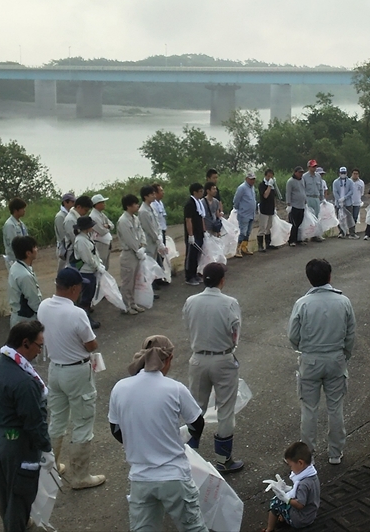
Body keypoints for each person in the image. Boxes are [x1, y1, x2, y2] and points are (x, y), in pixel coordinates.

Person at [108, 335, 207, 532]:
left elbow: (116, 430)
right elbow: (197, 423)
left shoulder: (120, 388)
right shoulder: (175, 389)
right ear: (168, 359)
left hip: (140, 479)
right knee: (193, 528)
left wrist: (140, 442)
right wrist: (182, 437)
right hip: (174, 476)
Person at [37, 268, 105, 490]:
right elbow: (91, 344)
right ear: (75, 289)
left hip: (55, 368)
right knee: (83, 421)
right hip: (76, 371)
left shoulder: (44, 306)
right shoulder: (76, 313)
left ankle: (51, 465)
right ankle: (80, 475)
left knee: (57, 419)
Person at [0, 320, 52, 532]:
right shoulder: (24, 382)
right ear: (25, 343)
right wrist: (46, 448)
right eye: (39, 346)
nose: (40, 352)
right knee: (19, 497)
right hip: (17, 444)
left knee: (4, 493)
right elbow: (33, 421)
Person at [288, 259, 356, 465]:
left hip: (310, 360)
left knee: (309, 409)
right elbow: (351, 334)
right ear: (330, 276)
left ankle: (307, 456)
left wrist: (304, 348)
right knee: (335, 407)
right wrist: (345, 354)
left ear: (309, 279)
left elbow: (293, 335)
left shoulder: (303, 303)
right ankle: (335, 453)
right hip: (336, 358)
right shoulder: (343, 301)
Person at [183, 263, 244, 473]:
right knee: (225, 410)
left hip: (198, 358)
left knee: (195, 408)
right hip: (223, 359)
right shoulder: (229, 303)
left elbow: (188, 325)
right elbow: (235, 333)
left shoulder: (191, 301)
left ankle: (190, 456)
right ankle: (223, 459)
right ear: (222, 280)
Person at [262, 441, 320, 532]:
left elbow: (300, 505)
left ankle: (269, 529)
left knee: (275, 502)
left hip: (300, 520)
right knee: (283, 498)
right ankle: (283, 517)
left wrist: (285, 498)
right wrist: (287, 488)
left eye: (291, 465)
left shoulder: (303, 484)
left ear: (300, 463)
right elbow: (303, 493)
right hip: (310, 514)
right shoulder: (312, 475)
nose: (290, 469)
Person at [72, 215, 103, 329]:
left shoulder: (86, 237)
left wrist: (99, 263)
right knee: (86, 297)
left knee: (89, 294)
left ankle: (85, 316)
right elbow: (87, 258)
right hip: (86, 270)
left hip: (90, 270)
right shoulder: (81, 240)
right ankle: (85, 320)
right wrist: (96, 266)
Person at [119, 194, 148, 314]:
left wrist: (143, 245)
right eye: (135, 204)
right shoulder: (123, 221)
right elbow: (129, 239)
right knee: (127, 281)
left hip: (137, 252)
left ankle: (133, 303)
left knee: (135, 280)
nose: (137, 206)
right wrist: (137, 250)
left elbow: (141, 232)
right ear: (128, 206)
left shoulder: (135, 218)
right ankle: (126, 306)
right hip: (129, 254)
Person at [8, 235, 42, 329]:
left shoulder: (16, 266)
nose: (37, 249)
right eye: (34, 247)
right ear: (28, 253)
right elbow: (34, 302)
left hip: (18, 317)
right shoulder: (25, 276)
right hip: (26, 320)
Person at [184, 183, 206, 286]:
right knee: (191, 255)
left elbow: (201, 217)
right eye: (200, 191)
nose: (202, 193)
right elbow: (188, 220)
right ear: (195, 192)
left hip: (199, 232)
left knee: (197, 255)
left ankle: (195, 274)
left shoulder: (198, 202)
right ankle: (189, 276)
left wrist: (204, 230)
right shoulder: (190, 204)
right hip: (193, 234)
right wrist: (190, 235)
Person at [139, 185, 166, 261]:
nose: (154, 196)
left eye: (154, 194)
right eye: (152, 194)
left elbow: (158, 223)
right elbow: (149, 229)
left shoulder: (152, 207)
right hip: (150, 241)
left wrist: (160, 235)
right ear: (145, 196)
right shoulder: (143, 211)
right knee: (151, 262)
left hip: (157, 239)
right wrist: (158, 240)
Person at [233, 172, 257, 257]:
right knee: (242, 232)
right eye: (251, 179)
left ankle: (244, 247)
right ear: (246, 179)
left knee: (248, 232)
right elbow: (236, 200)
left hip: (251, 213)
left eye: (253, 179)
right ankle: (237, 249)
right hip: (244, 213)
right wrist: (239, 209)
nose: (252, 181)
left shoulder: (252, 188)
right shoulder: (242, 188)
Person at [62, 195, 93, 261]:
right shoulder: (70, 220)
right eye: (85, 210)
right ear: (79, 207)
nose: (86, 213)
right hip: (74, 252)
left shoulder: (78, 217)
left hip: (82, 249)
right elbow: (74, 239)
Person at [257, 169, 280, 251]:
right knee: (262, 228)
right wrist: (269, 186)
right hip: (264, 209)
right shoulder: (262, 185)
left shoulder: (273, 185)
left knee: (269, 227)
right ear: (265, 176)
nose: (270, 178)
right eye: (268, 176)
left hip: (271, 208)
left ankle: (268, 243)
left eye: (271, 176)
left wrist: (275, 207)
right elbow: (265, 195)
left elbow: (274, 197)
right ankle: (260, 245)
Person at [90, 194, 115, 269]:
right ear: (96, 204)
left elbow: (112, 225)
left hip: (106, 242)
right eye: (102, 202)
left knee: (106, 265)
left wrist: (108, 226)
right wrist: (107, 227)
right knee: (101, 264)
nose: (104, 204)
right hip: (100, 243)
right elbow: (102, 231)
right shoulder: (93, 216)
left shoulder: (101, 214)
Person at [2, 198, 28, 269]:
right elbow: (14, 244)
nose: (24, 210)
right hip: (14, 260)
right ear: (15, 210)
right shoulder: (10, 225)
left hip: (22, 258)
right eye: (22, 208)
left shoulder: (21, 223)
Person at [302, 160, 324, 241]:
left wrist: (322, 198)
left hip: (316, 198)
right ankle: (306, 235)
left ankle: (316, 235)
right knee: (308, 217)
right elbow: (303, 189)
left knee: (316, 216)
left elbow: (321, 188)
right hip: (308, 197)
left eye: (315, 166)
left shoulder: (318, 176)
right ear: (309, 167)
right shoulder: (304, 177)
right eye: (313, 166)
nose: (314, 168)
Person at [331, 167, 355, 239]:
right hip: (338, 203)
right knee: (340, 218)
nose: (343, 174)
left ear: (346, 173)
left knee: (350, 218)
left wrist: (344, 198)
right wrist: (339, 200)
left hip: (348, 202)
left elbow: (351, 191)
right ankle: (341, 232)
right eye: (342, 173)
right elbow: (335, 192)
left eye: (344, 173)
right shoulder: (335, 182)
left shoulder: (350, 181)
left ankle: (352, 233)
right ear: (339, 173)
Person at [54, 193, 76, 272]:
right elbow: (62, 234)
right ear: (65, 202)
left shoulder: (69, 214)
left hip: (68, 246)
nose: (74, 204)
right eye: (72, 202)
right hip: (64, 248)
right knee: (62, 270)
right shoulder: (60, 216)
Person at [286, 166, 307, 247]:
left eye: (302, 173)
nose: (301, 174)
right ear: (295, 172)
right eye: (299, 172)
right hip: (294, 206)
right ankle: (292, 240)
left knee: (299, 223)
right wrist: (289, 204)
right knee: (293, 224)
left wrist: (305, 201)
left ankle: (298, 239)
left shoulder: (302, 180)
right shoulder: (290, 181)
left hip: (301, 205)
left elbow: (303, 191)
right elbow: (288, 193)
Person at [347, 169, 364, 235]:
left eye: (357, 174)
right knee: (349, 217)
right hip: (349, 202)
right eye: (354, 173)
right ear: (351, 174)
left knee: (355, 217)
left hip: (357, 202)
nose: (355, 175)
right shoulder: (348, 181)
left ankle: (352, 231)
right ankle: (349, 230)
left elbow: (362, 192)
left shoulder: (361, 182)